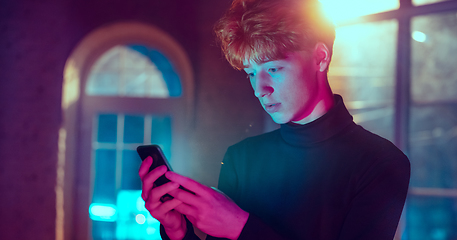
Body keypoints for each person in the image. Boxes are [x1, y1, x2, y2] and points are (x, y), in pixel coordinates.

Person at [138, 0, 411, 239]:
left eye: (273, 68)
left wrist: (240, 227)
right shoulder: (241, 157)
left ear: (320, 57)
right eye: (251, 73)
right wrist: (178, 232)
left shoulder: (381, 162)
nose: (260, 89)